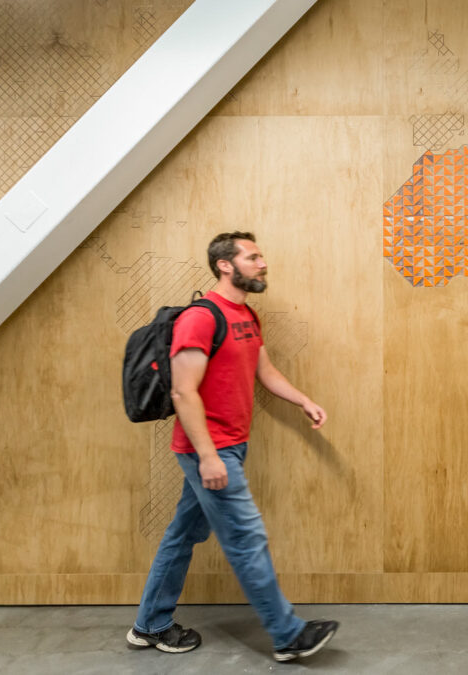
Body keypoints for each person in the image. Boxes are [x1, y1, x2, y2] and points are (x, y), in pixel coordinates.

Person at [126, 231, 337, 662]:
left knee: (182, 536)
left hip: (231, 446)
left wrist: (304, 401)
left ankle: (149, 626)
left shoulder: (246, 316)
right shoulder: (201, 318)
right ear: (226, 264)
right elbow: (184, 393)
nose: (263, 264)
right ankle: (288, 635)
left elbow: (265, 370)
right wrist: (207, 456)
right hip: (209, 449)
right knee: (246, 538)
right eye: (253, 257)